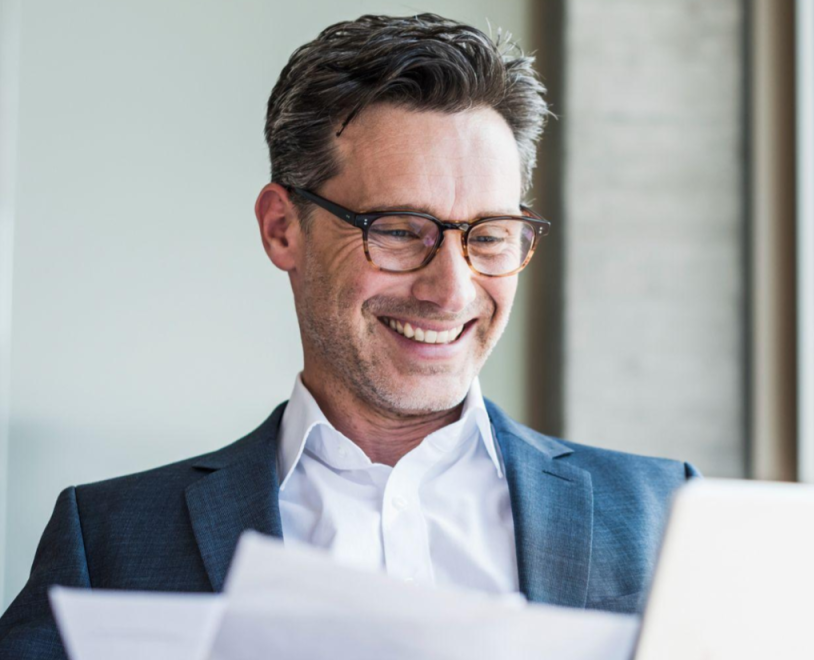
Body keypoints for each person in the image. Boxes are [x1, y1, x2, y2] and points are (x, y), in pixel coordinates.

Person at [0, 14, 698, 657]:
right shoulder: (111, 539)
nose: (451, 290)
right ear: (282, 228)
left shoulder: (665, 515)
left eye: (488, 236)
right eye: (398, 230)